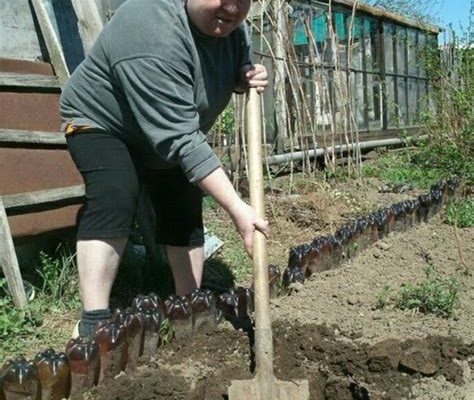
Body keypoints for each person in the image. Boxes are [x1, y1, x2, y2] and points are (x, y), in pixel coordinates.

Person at [60, 0, 270, 339]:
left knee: (183, 199)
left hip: (167, 126)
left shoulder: (230, 27)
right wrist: (238, 209)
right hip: (103, 122)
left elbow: (227, 68)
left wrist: (244, 77)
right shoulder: (149, 26)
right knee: (115, 192)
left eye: (243, 0)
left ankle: (188, 306)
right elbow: (181, 139)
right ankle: (93, 322)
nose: (233, 8)